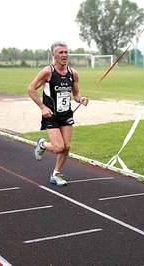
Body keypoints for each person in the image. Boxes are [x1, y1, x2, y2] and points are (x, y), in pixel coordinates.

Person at [27, 41, 89, 186]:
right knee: (58, 147)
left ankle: (55, 174)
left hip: (66, 114)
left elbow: (76, 94)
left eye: (66, 52)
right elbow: (31, 89)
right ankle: (42, 144)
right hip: (51, 116)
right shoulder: (48, 71)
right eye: (61, 52)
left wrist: (81, 99)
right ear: (53, 55)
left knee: (67, 146)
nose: (64, 55)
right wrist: (42, 107)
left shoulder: (73, 73)